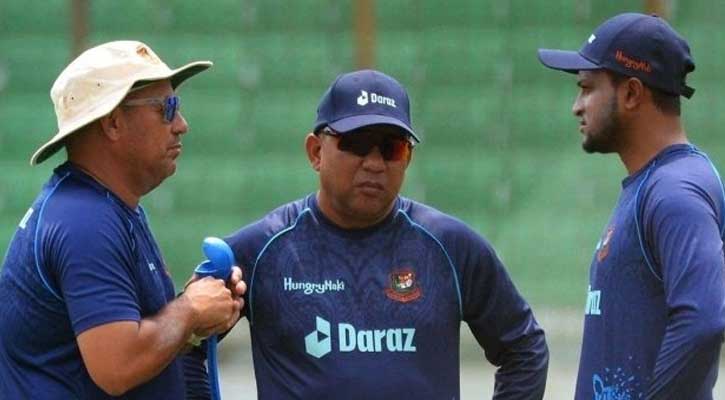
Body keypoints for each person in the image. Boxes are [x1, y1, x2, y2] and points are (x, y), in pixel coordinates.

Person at [223, 69, 548, 399]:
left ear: (408, 158)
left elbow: (524, 348)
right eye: (357, 144)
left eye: (392, 148)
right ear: (316, 152)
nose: (375, 163)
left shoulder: (452, 247)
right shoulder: (260, 250)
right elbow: (193, 340)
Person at [0, 40, 245, 399]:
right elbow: (117, 366)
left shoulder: (103, 208)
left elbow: (136, 340)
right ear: (113, 123)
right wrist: (191, 309)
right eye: (166, 108)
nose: (182, 125)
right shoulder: (84, 221)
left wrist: (197, 317)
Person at [538, 13, 725, 399]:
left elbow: (703, 320)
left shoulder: (674, 191)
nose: (577, 106)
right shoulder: (654, 184)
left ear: (631, 93)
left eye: (587, 88)